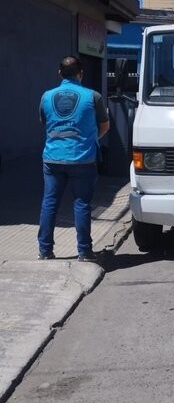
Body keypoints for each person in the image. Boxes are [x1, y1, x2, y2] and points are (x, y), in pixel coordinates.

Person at [37, 56, 110, 261]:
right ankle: (85, 252)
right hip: (83, 159)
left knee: (50, 203)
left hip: (52, 159)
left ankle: (45, 251)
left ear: (60, 74)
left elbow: (45, 122)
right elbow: (105, 125)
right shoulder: (92, 96)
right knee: (82, 204)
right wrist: (90, 139)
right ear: (81, 74)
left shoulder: (46, 97)